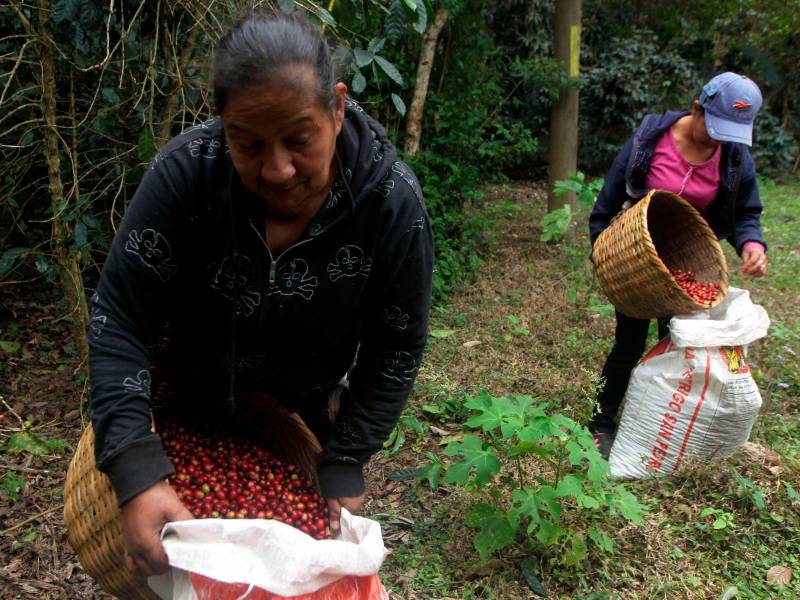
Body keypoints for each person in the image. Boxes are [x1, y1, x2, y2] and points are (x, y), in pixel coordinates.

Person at [88, 13, 433, 578]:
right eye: (246, 143)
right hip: (176, 406)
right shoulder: (186, 176)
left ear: (337, 106)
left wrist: (347, 457)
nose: (277, 170)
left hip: (294, 422)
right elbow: (120, 315)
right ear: (223, 125)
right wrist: (134, 463)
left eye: (298, 140)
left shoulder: (390, 206)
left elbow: (396, 345)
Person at [587, 72, 767, 458]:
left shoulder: (734, 158)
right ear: (696, 108)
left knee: (678, 346)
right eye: (715, 129)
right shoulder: (649, 141)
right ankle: (601, 420)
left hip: (687, 265)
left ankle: (658, 421)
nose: (720, 141)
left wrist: (751, 243)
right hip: (636, 258)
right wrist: (601, 250)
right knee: (628, 344)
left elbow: (746, 212)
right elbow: (608, 200)